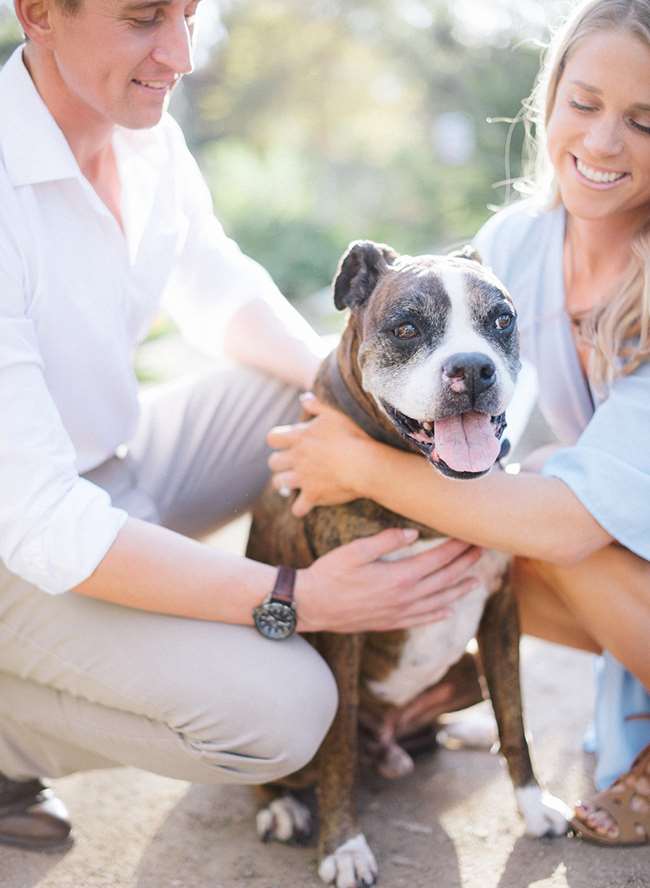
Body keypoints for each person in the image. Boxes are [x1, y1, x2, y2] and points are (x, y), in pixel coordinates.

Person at [0, 0, 486, 850]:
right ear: (37, 13)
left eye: (191, 14)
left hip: (112, 465)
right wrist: (297, 599)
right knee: (286, 711)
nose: (181, 53)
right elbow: (40, 520)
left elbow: (218, 288)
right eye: (146, 16)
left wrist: (356, 429)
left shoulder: (141, 130)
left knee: (315, 391)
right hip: (20, 538)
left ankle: (402, 631)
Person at [268, 0, 650, 846]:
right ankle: (423, 693)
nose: (603, 142)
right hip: (623, 545)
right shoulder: (517, 241)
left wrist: (358, 468)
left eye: (645, 119)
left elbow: (569, 520)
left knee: (537, 510)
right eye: (584, 105)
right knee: (467, 541)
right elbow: (423, 321)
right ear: (548, 103)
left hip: (614, 540)